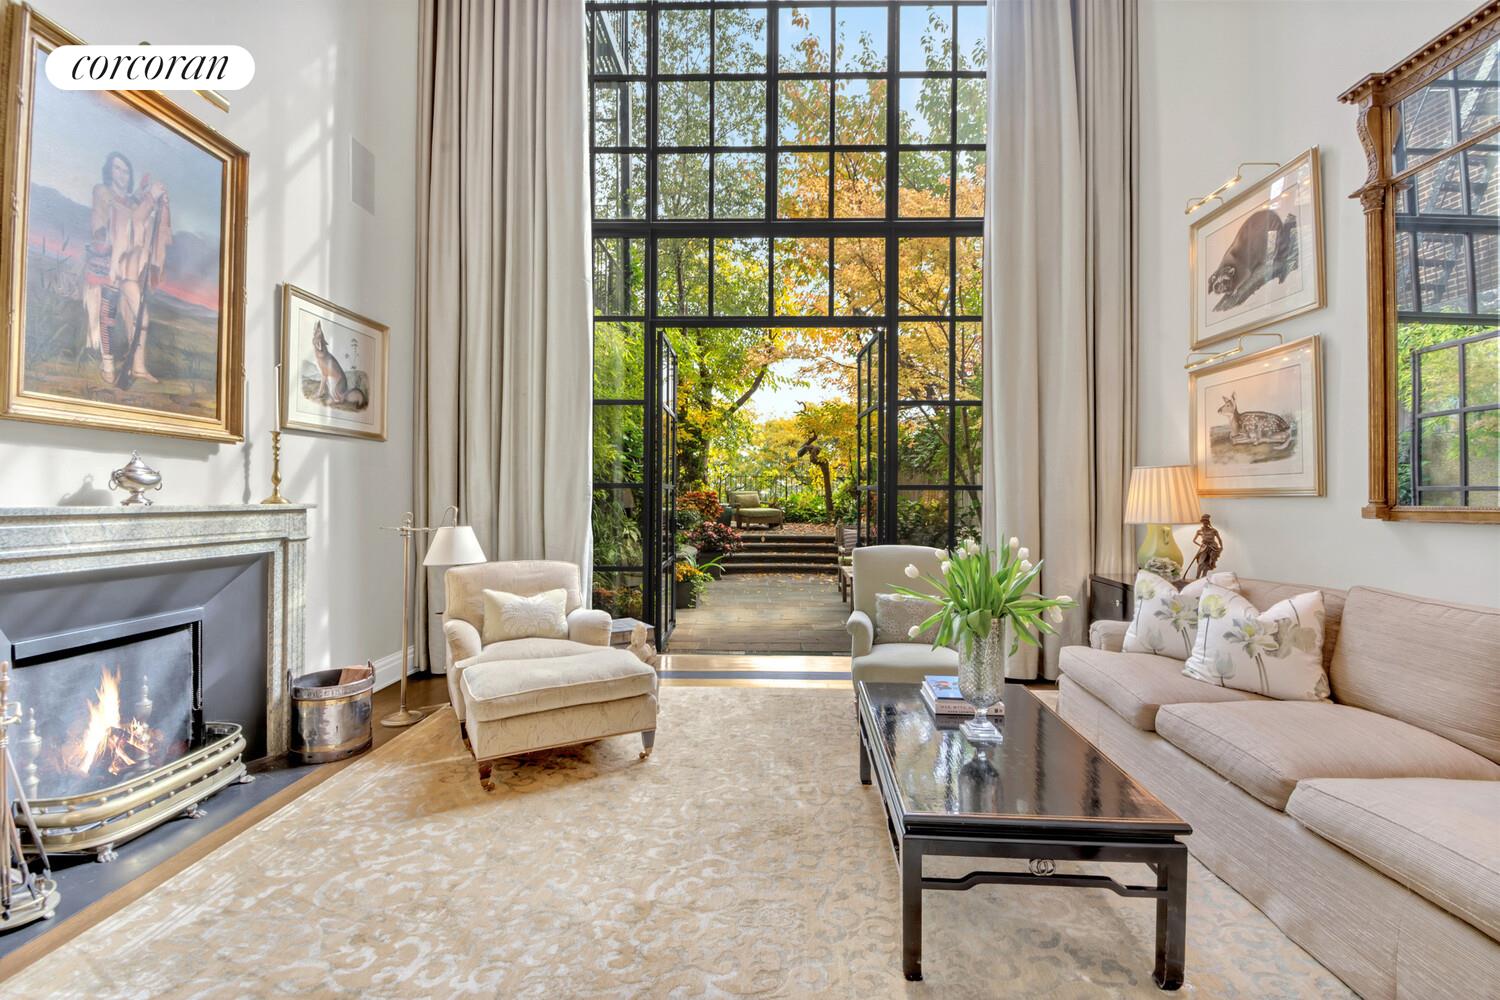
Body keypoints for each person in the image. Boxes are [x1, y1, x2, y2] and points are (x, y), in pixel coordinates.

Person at [83, 151, 171, 384]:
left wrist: (158, 204)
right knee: (108, 314)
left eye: (126, 169)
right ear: (109, 171)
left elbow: (141, 225)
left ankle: (138, 366)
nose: (122, 174)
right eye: (117, 168)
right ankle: (108, 364)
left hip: (128, 269)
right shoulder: (103, 192)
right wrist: (148, 200)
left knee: (142, 317)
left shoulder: (133, 201)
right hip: (108, 263)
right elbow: (124, 221)